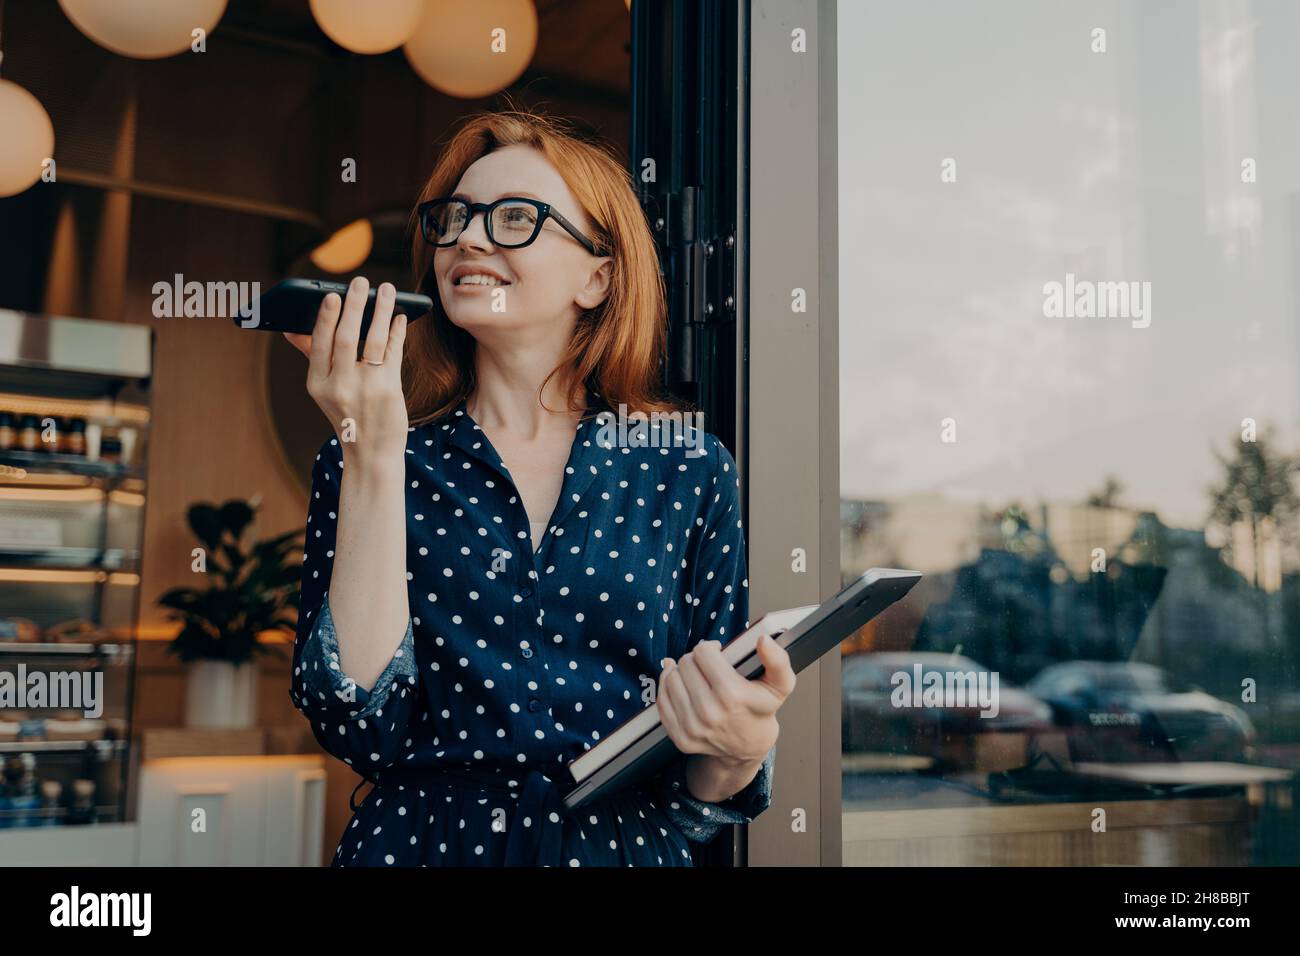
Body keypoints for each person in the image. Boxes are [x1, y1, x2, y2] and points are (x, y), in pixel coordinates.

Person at [285, 108, 796, 866]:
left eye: (515, 217)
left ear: (599, 275)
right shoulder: (371, 456)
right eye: (453, 218)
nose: (466, 237)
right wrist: (374, 451)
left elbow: (701, 800)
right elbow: (363, 724)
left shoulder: (687, 468)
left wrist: (741, 750)